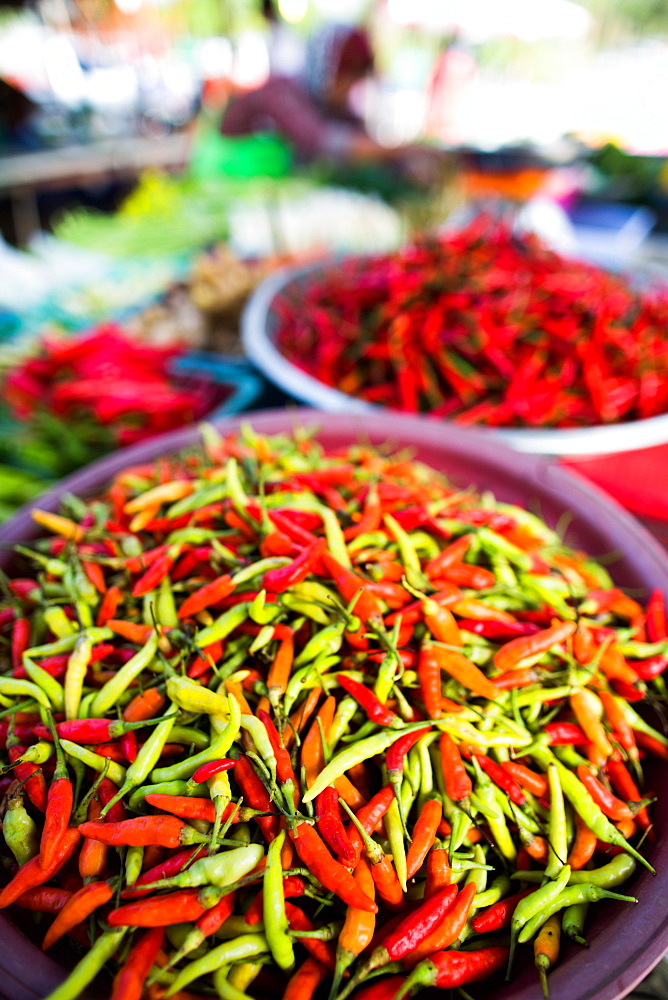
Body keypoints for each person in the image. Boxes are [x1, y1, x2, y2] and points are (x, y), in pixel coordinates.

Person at [220, 23, 444, 186]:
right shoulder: (281, 92)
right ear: (329, 69)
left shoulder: (327, 103)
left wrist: (405, 164)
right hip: (224, 182)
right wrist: (404, 149)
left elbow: (360, 136)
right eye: (348, 78)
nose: (350, 89)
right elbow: (326, 141)